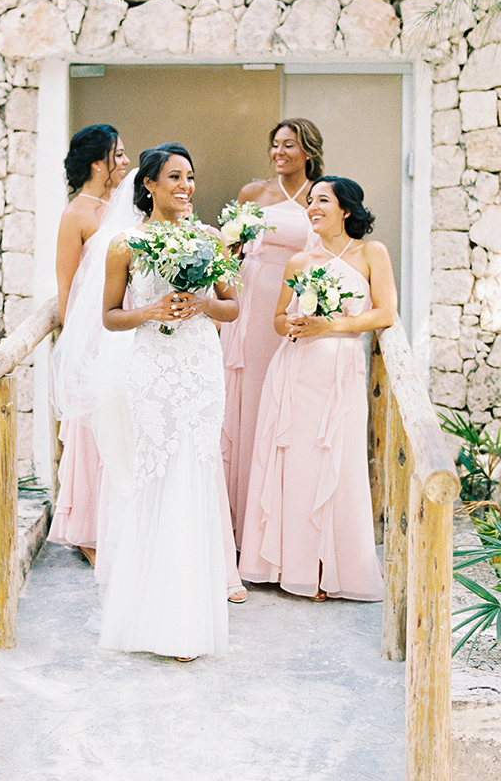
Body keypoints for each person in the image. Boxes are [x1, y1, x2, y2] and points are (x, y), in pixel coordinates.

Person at [98, 144, 239, 660]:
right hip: (152, 371)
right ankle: (149, 618)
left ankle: (188, 625)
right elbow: (109, 315)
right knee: (156, 477)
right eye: (174, 177)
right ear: (150, 184)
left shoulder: (209, 238)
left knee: (195, 476)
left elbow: (233, 308)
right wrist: (150, 309)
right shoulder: (125, 244)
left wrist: (202, 303)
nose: (186, 186)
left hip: (201, 370)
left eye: (191, 176)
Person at [239, 177, 397, 602]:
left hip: (340, 373)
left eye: (322, 200)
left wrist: (334, 326)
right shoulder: (299, 261)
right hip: (294, 372)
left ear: (346, 209)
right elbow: (276, 318)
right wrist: (290, 324)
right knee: (295, 465)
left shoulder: (371, 253)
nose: (312, 206)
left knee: (337, 466)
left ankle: (330, 567)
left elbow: (385, 313)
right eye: (310, 201)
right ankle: (292, 566)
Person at [220, 118, 324, 547]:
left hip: (298, 302)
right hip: (254, 301)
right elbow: (229, 253)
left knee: (289, 407)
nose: (280, 153)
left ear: (308, 150)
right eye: (275, 145)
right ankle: (237, 525)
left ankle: (283, 528)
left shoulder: (323, 193)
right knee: (249, 400)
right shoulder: (253, 193)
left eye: (289, 145)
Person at [48, 125, 130, 566]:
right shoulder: (76, 214)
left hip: (125, 325)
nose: (125, 160)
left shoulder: (128, 206)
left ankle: (123, 523)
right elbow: (67, 287)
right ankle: (89, 533)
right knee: (91, 431)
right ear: (98, 162)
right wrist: (75, 346)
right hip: (91, 334)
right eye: (118, 153)